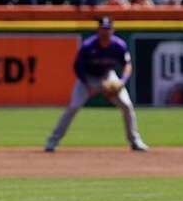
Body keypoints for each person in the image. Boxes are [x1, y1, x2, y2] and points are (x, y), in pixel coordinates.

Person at [45, 17, 148, 152]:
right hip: (87, 78)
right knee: (73, 107)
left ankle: (135, 141)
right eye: (103, 29)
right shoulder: (88, 46)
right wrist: (88, 86)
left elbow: (127, 65)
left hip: (108, 76)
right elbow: (77, 67)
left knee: (127, 106)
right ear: (98, 30)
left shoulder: (119, 45)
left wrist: (122, 82)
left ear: (112, 30)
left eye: (108, 29)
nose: (105, 32)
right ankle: (52, 141)